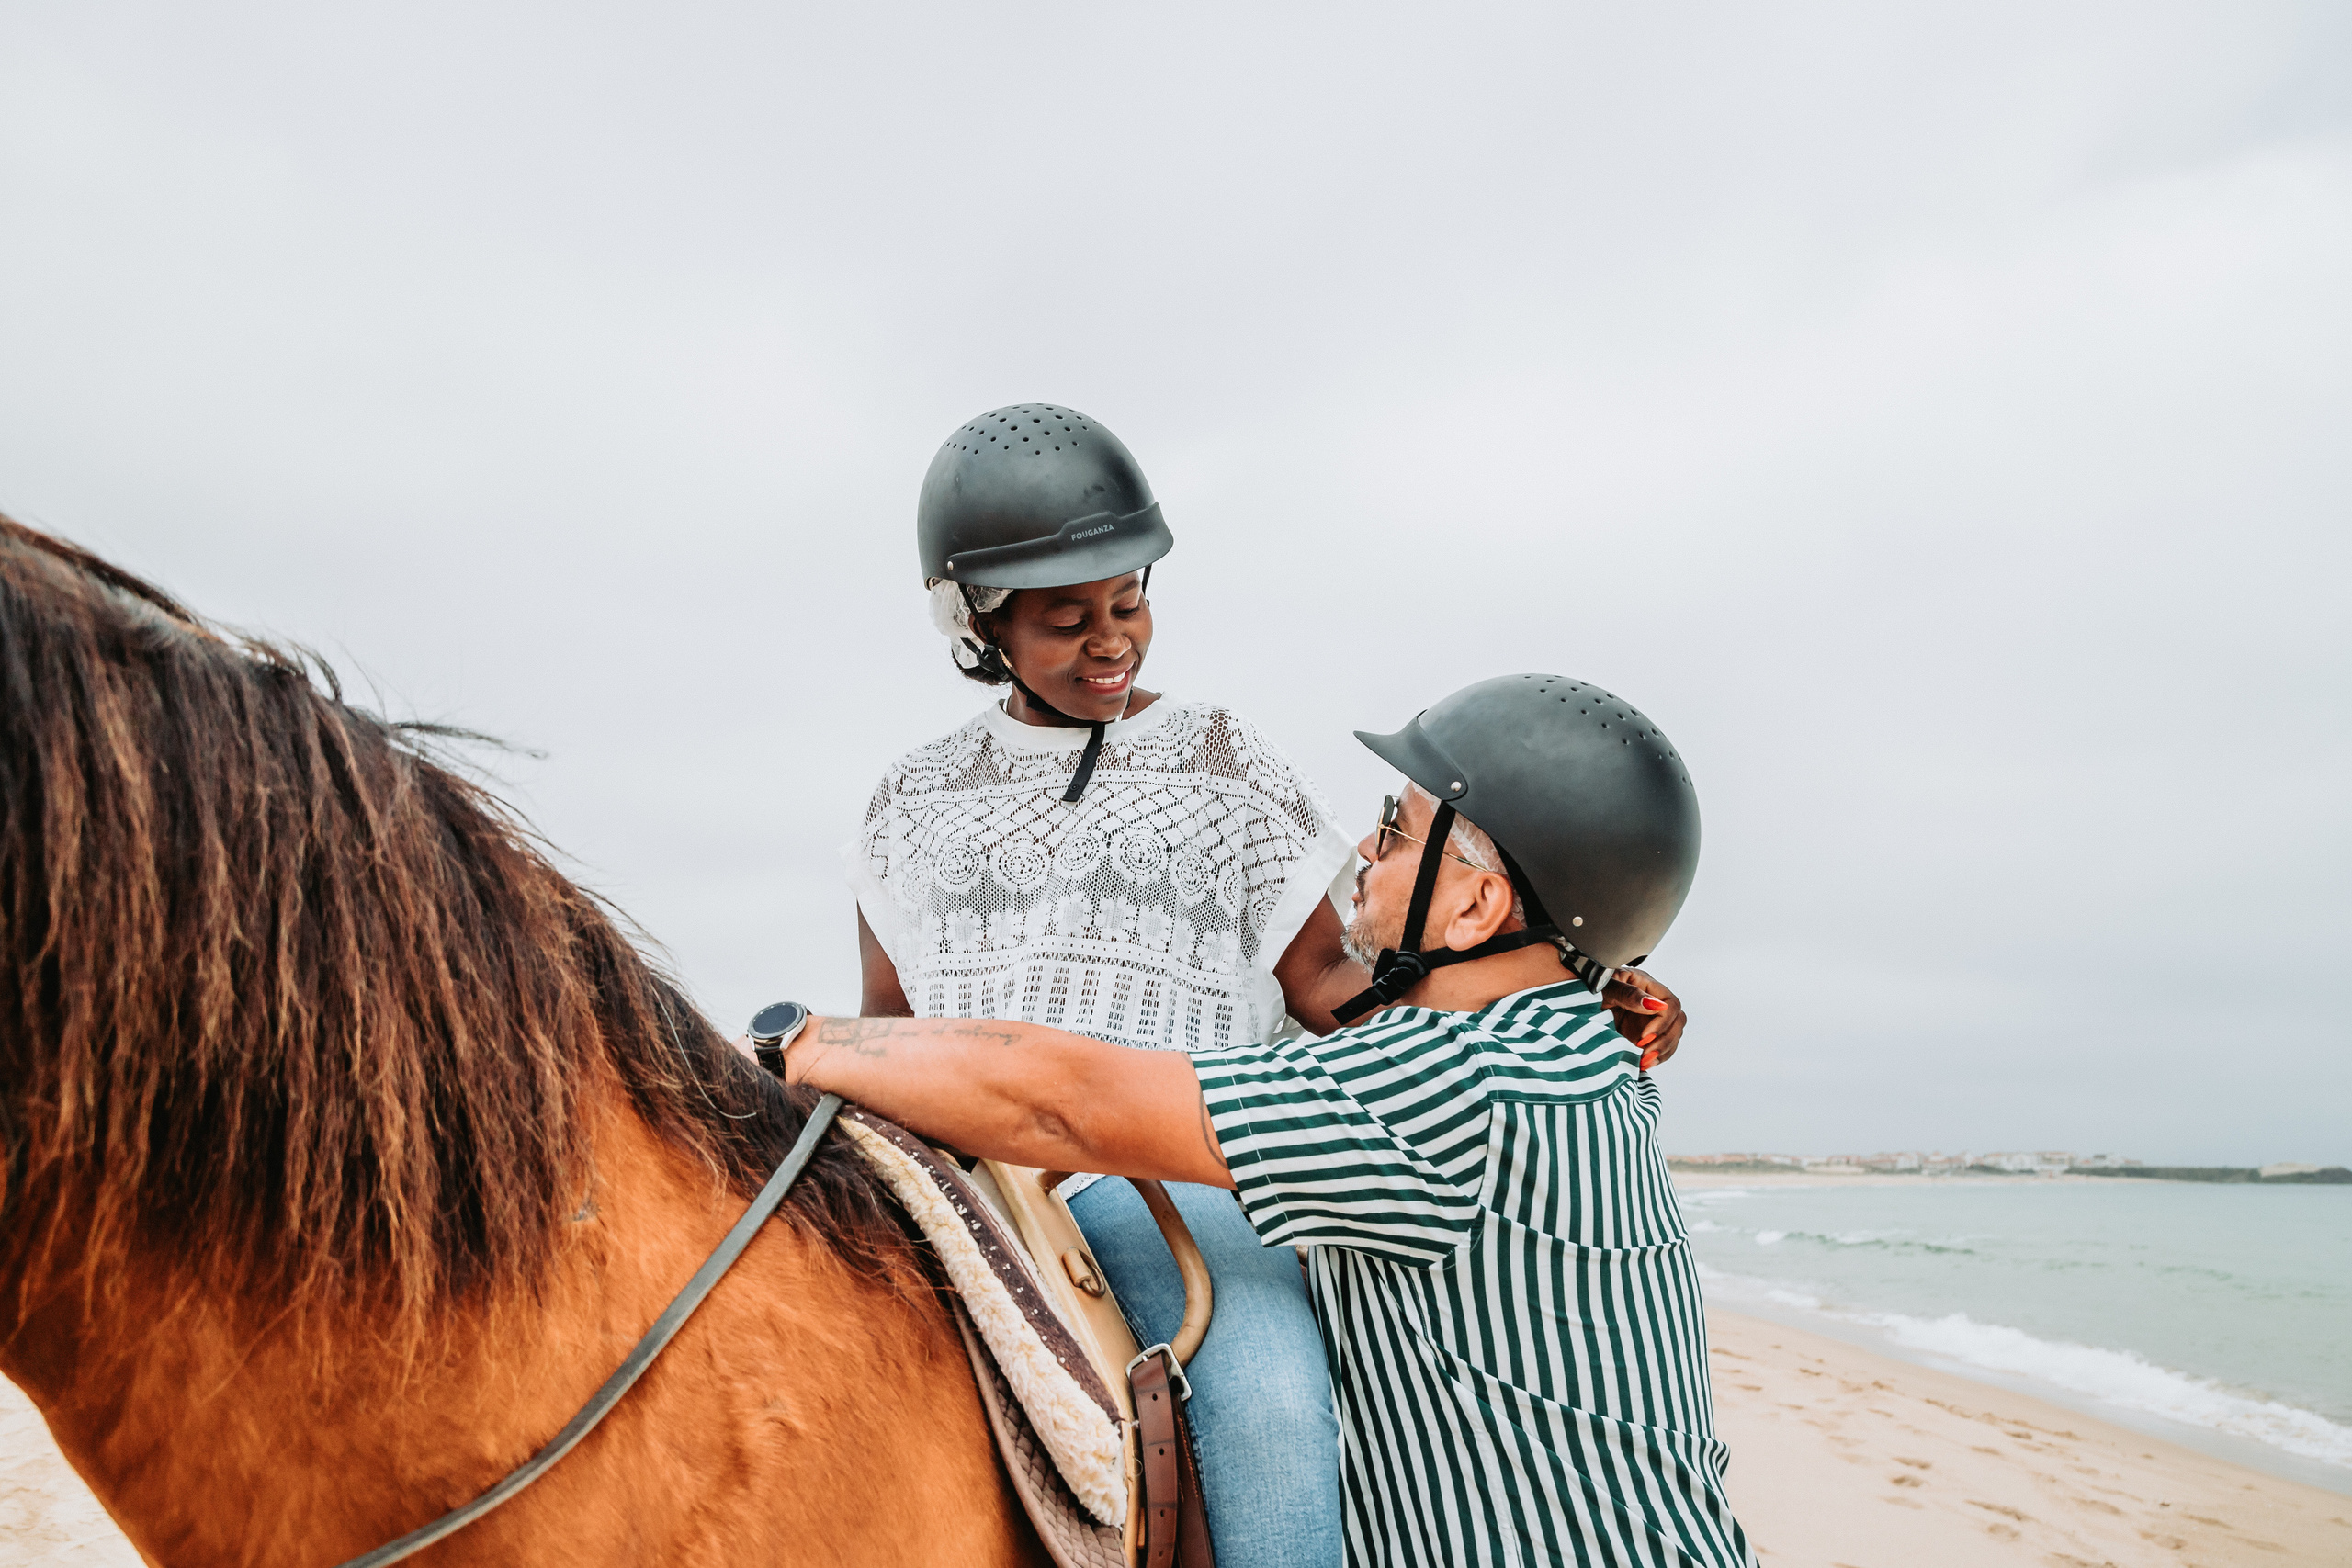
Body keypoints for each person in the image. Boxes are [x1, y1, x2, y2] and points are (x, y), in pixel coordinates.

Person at [847, 407, 1698, 1567]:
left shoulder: (1225, 761)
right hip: (957, 1156)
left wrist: (1537, 994)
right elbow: (891, 1026)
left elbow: (1328, 981)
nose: (1111, 641)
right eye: (1065, 620)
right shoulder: (902, 804)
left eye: (1129, 603)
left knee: (1271, 1412)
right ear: (977, 624)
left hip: (1168, 1168)